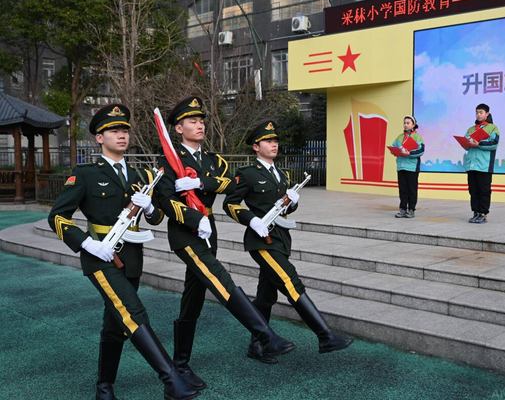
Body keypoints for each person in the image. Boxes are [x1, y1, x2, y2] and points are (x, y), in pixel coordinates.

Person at [48, 104, 200, 400]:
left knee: (115, 323)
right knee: (132, 311)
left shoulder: (141, 175)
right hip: (99, 256)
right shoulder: (86, 174)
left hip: (130, 258)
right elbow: (57, 216)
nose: (122, 135)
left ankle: (104, 388)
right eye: (114, 131)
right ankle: (171, 379)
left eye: (125, 130)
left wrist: (151, 207)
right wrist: (87, 243)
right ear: (99, 138)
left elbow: (155, 219)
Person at [156, 97, 295, 376]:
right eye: (193, 121)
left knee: (193, 297)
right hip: (185, 232)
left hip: (209, 229)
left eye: (201, 121)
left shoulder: (212, 160)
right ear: (179, 128)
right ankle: (264, 334)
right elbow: (165, 199)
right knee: (219, 278)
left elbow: (231, 183)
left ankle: (180, 364)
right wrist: (194, 218)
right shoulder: (169, 159)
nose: (200, 125)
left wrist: (200, 182)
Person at [223, 120, 353, 362]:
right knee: (290, 282)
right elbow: (229, 204)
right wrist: (252, 220)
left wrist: (292, 203)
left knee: (266, 296)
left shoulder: (283, 174)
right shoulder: (247, 173)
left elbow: (285, 210)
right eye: (268, 141)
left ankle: (258, 345)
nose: (274, 144)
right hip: (261, 241)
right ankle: (325, 336)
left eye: (275, 141)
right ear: (256, 147)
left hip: (281, 239)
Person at [464, 103, 499, 224]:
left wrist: (479, 143)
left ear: (487, 114)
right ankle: (476, 212)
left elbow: (494, 143)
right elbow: (466, 146)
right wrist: (466, 143)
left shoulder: (492, 128)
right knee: (473, 190)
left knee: (484, 190)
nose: (478, 115)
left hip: (484, 165)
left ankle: (483, 214)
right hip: (471, 165)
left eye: (481, 112)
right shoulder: (471, 129)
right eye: (477, 112)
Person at [390, 115, 425, 218]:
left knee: (412, 190)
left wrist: (409, 153)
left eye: (408, 123)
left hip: (412, 167)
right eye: (404, 123)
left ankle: (411, 209)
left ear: (413, 125)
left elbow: (421, 150)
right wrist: (393, 150)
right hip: (401, 166)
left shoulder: (417, 137)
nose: (405, 125)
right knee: (403, 189)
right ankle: (402, 209)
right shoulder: (400, 137)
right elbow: (393, 146)